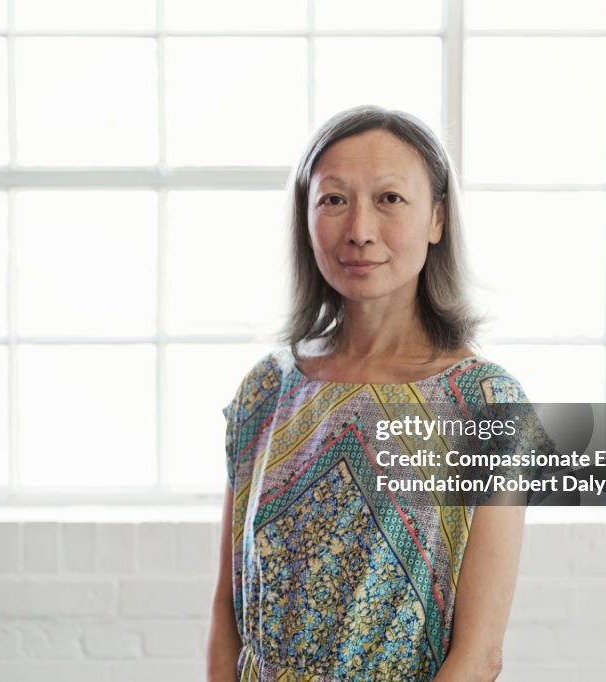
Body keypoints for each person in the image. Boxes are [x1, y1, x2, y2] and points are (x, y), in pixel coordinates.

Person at [207, 105, 534, 681]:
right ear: (305, 219)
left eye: (390, 199)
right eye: (333, 199)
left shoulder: (486, 403)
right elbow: (227, 616)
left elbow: (480, 655)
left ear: (437, 219)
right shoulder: (266, 389)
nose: (359, 229)